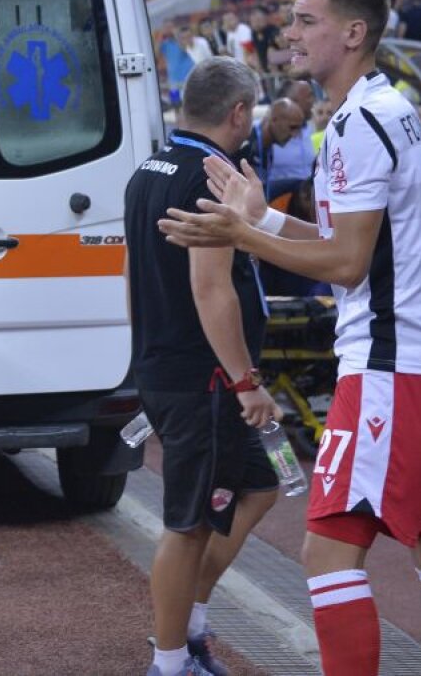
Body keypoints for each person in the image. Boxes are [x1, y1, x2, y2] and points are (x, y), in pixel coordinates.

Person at [159, 0, 421, 676]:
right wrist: (262, 218)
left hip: (389, 363)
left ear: (352, 33)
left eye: (304, 21)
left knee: (327, 551)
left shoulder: (356, 124)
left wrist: (238, 234)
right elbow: (349, 239)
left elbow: (346, 263)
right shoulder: (387, 106)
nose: (288, 34)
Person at [124, 57, 281, 676]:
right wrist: (246, 382)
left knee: (262, 486)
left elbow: (134, 273)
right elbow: (211, 289)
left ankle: (186, 625)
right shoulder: (211, 178)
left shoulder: (149, 168)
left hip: (173, 369)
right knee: (187, 525)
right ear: (238, 112)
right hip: (205, 380)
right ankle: (169, 663)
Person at [245, 97, 305, 186]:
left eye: (298, 129)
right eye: (292, 127)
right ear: (274, 119)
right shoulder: (245, 144)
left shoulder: (269, 149)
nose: (295, 135)